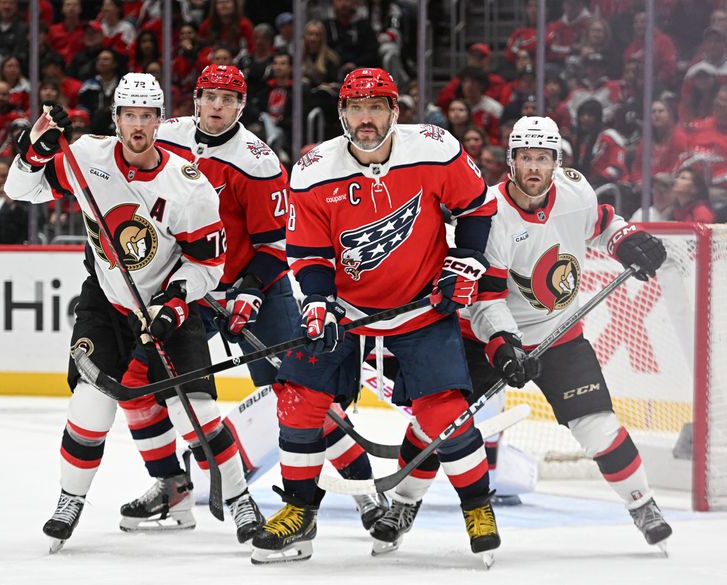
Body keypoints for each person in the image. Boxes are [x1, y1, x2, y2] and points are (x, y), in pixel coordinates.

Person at [3, 72, 263, 552]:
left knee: (197, 416)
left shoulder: (188, 186)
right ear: (115, 118)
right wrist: (34, 148)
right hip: (107, 299)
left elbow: (210, 264)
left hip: (167, 304)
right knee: (90, 403)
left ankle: (243, 500)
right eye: (129, 115)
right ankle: (69, 500)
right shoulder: (85, 157)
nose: (138, 125)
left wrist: (176, 301)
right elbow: (22, 190)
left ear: (160, 120)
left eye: (147, 116)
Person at [250, 68, 498, 565]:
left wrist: (466, 260)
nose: (367, 118)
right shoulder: (315, 169)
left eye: (377, 107)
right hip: (347, 311)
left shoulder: (434, 147)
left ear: (395, 112)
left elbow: (477, 207)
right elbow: (308, 252)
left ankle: (478, 506)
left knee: (445, 413)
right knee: (299, 400)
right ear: (342, 113)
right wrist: (318, 301)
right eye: (357, 108)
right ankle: (299, 511)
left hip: (421, 306)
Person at [153, 64, 388, 530]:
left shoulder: (257, 161)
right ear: (195, 99)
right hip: (189, 288)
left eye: (228, 99)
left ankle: (366, 494)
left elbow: (277, 244)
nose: (217, 106)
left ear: (242, 107)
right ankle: (172, 485)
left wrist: (251, 289)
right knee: (171, 393)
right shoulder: (163, 137)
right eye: (210, 96)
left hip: (252, 286)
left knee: (298, 392)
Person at [467, 115, 672, 550]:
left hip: (559, 334)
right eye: (526, 158)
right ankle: (404, 502)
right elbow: (486, 298)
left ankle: (642, 504)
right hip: (485, 337)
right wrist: (504, 345)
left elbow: (602, 226)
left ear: (556, 161)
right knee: (442, 422)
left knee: (597, 424)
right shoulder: (489, 211)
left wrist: (628, 239)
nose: (535, 168)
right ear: (511, 161)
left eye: (543, 158)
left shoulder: (575, 192)